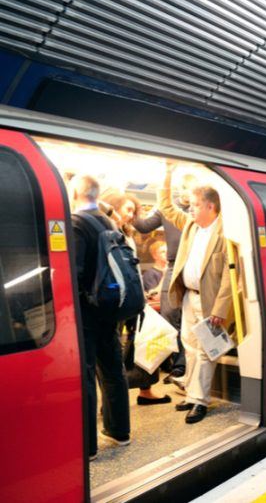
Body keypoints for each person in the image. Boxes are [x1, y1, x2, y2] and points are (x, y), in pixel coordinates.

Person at [159, 162, 233, 424]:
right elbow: (166, 208)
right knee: (189, 346)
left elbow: (229, 272)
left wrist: (220, 309)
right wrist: (167, 174)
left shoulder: (226, 229)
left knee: (205, 350)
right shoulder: (192, 225)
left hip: (210, 301)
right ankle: (192, 395)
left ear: (210, 206)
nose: (190, 209)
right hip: (189, 296)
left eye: (195, 204)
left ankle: (200, 402)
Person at [70, 175, 131, 460]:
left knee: (86, 373)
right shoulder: (111, 221)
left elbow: (76, 271)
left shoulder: (76, 223)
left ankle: (88, 446)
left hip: (86, 309)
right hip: (111, 307)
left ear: (74, 194)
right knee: (113, 368)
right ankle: (120, 432)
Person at [103, 192, 171, 406]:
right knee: (114, 352)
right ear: (114, 208)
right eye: (128, 210)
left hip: (133, 298)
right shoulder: (105, 232)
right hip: (116, 300)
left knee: (142, 343)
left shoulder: (128, 234)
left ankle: (145, 390)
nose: (131, 215)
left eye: (134, 211)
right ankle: (110, 401)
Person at [134, 173, 198, 380]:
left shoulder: (201, 209)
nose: (191, 193)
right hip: (173, 265)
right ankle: (178, 363)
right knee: (170, 313)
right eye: (188, 188)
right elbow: (143, 227)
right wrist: (133, 210)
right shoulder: (168, 209)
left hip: (195, 263)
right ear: (182, 189)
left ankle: (193, 361)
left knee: (195, 313)